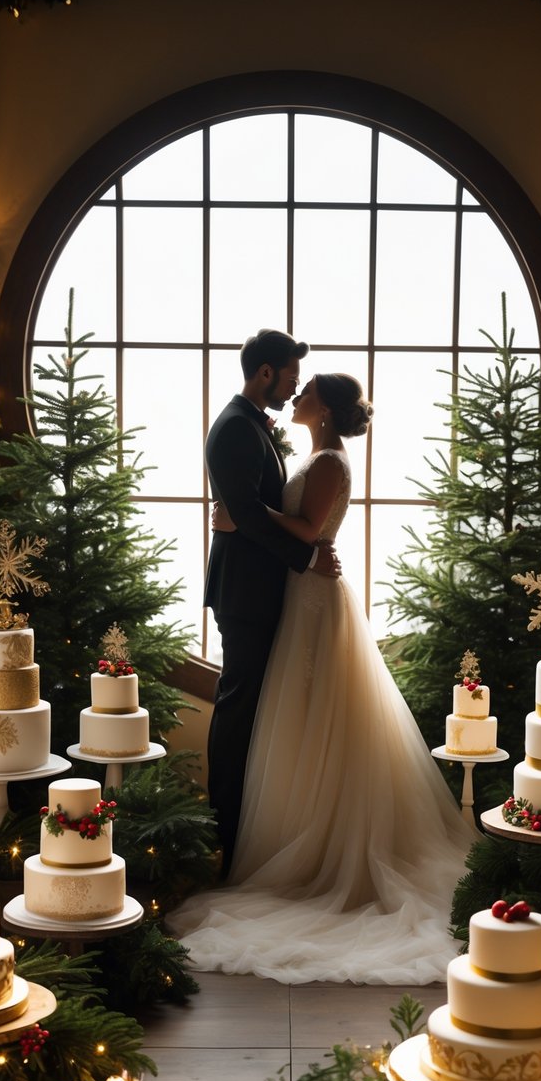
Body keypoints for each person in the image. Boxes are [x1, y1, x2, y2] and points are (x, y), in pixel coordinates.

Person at [170, 372, 477, 985]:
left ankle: (323, 846)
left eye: (307, 390)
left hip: (314, 599)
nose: (297, 395)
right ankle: (298, 832)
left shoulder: (330, 461)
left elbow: (310, 532)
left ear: (327, 409)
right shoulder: (316, 454)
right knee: (302, 717)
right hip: (300, 593)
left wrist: (242, 517)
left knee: (318, 712)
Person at [203, 329, 340, 877]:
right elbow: (247, 514)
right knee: (238, 709)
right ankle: (225, 839)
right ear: (265, 373)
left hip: (260, 589)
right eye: (288, 378)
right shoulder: (236, 427)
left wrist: (242, 516)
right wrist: (307, 559)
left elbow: (248, 511)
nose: (292, 388)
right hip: (243, 592)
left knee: (255, 711)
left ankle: (251, 836)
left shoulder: (253, 424)